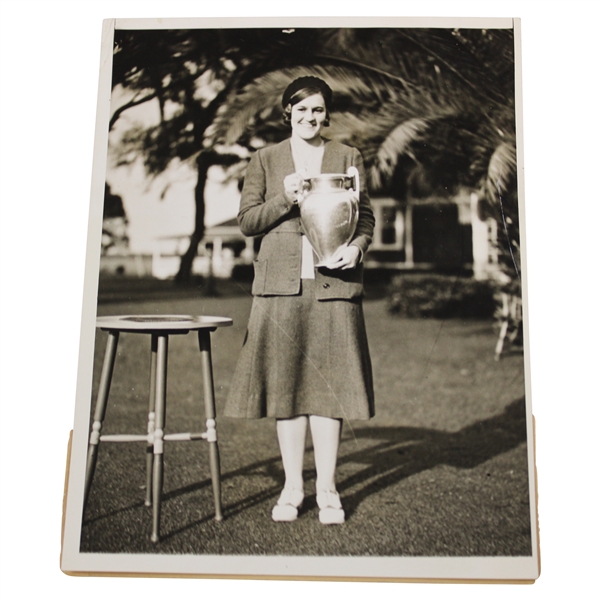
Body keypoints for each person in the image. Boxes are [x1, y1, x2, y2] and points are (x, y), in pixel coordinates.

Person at [225, 76, 375, 525]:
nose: (310, 117)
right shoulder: (266, 159)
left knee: (330, 392)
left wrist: (358, 247)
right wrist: (284, 197)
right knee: (287, 389)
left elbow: (363, 215)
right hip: (280, 287)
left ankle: (327, 490)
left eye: (318, 110)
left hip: (333, 284)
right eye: (302, 109)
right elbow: (248, 222)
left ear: (326, 114)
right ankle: (292, 488)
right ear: (287, 112)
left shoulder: (347, 157)